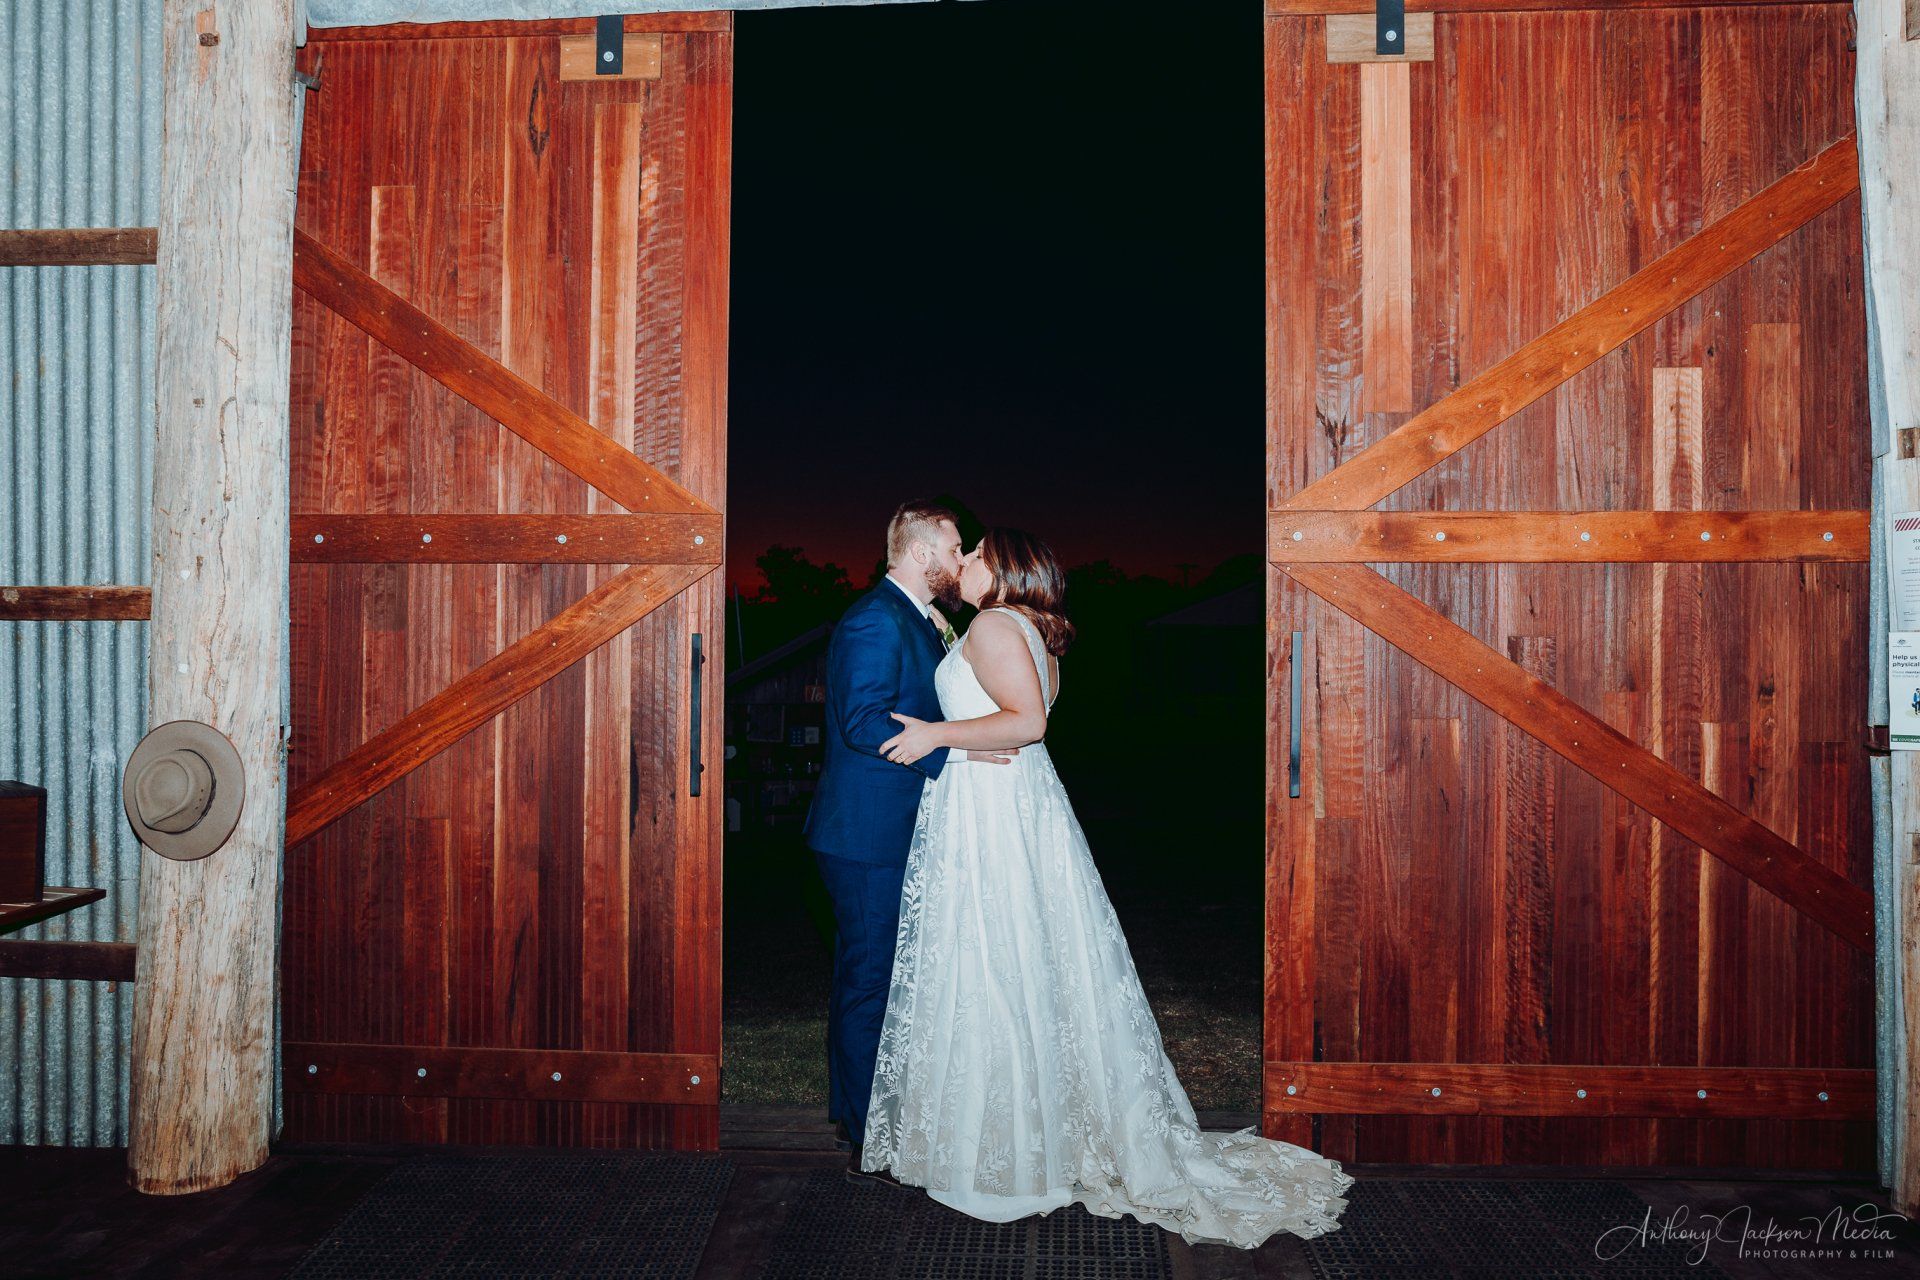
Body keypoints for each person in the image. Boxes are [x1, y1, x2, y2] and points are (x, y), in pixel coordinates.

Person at [859, 527, 1353, 1249]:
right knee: (1022, 965)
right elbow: (1014, 721)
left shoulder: (997, 624)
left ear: (1004, 572)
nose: (960, 562)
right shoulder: (1028, 631)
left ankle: (1005, 1160)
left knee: (994, 963)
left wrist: (936, 736)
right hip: (1007, 804)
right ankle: (1025, 1143)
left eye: (973, 554)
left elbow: (1026, 724)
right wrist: (966, 737)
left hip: (994, 815)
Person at [802, 499, 1018, 1178]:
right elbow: (862, 720)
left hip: (902, 829)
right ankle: (864, 1127)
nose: (961, 562)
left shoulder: (929, 620)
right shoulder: (872, 618)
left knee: (895, 978)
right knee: (869, 978)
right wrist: (951, 753)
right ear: (922, 553)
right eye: (956, 550)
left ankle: (885, 1114)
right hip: (865, 834)